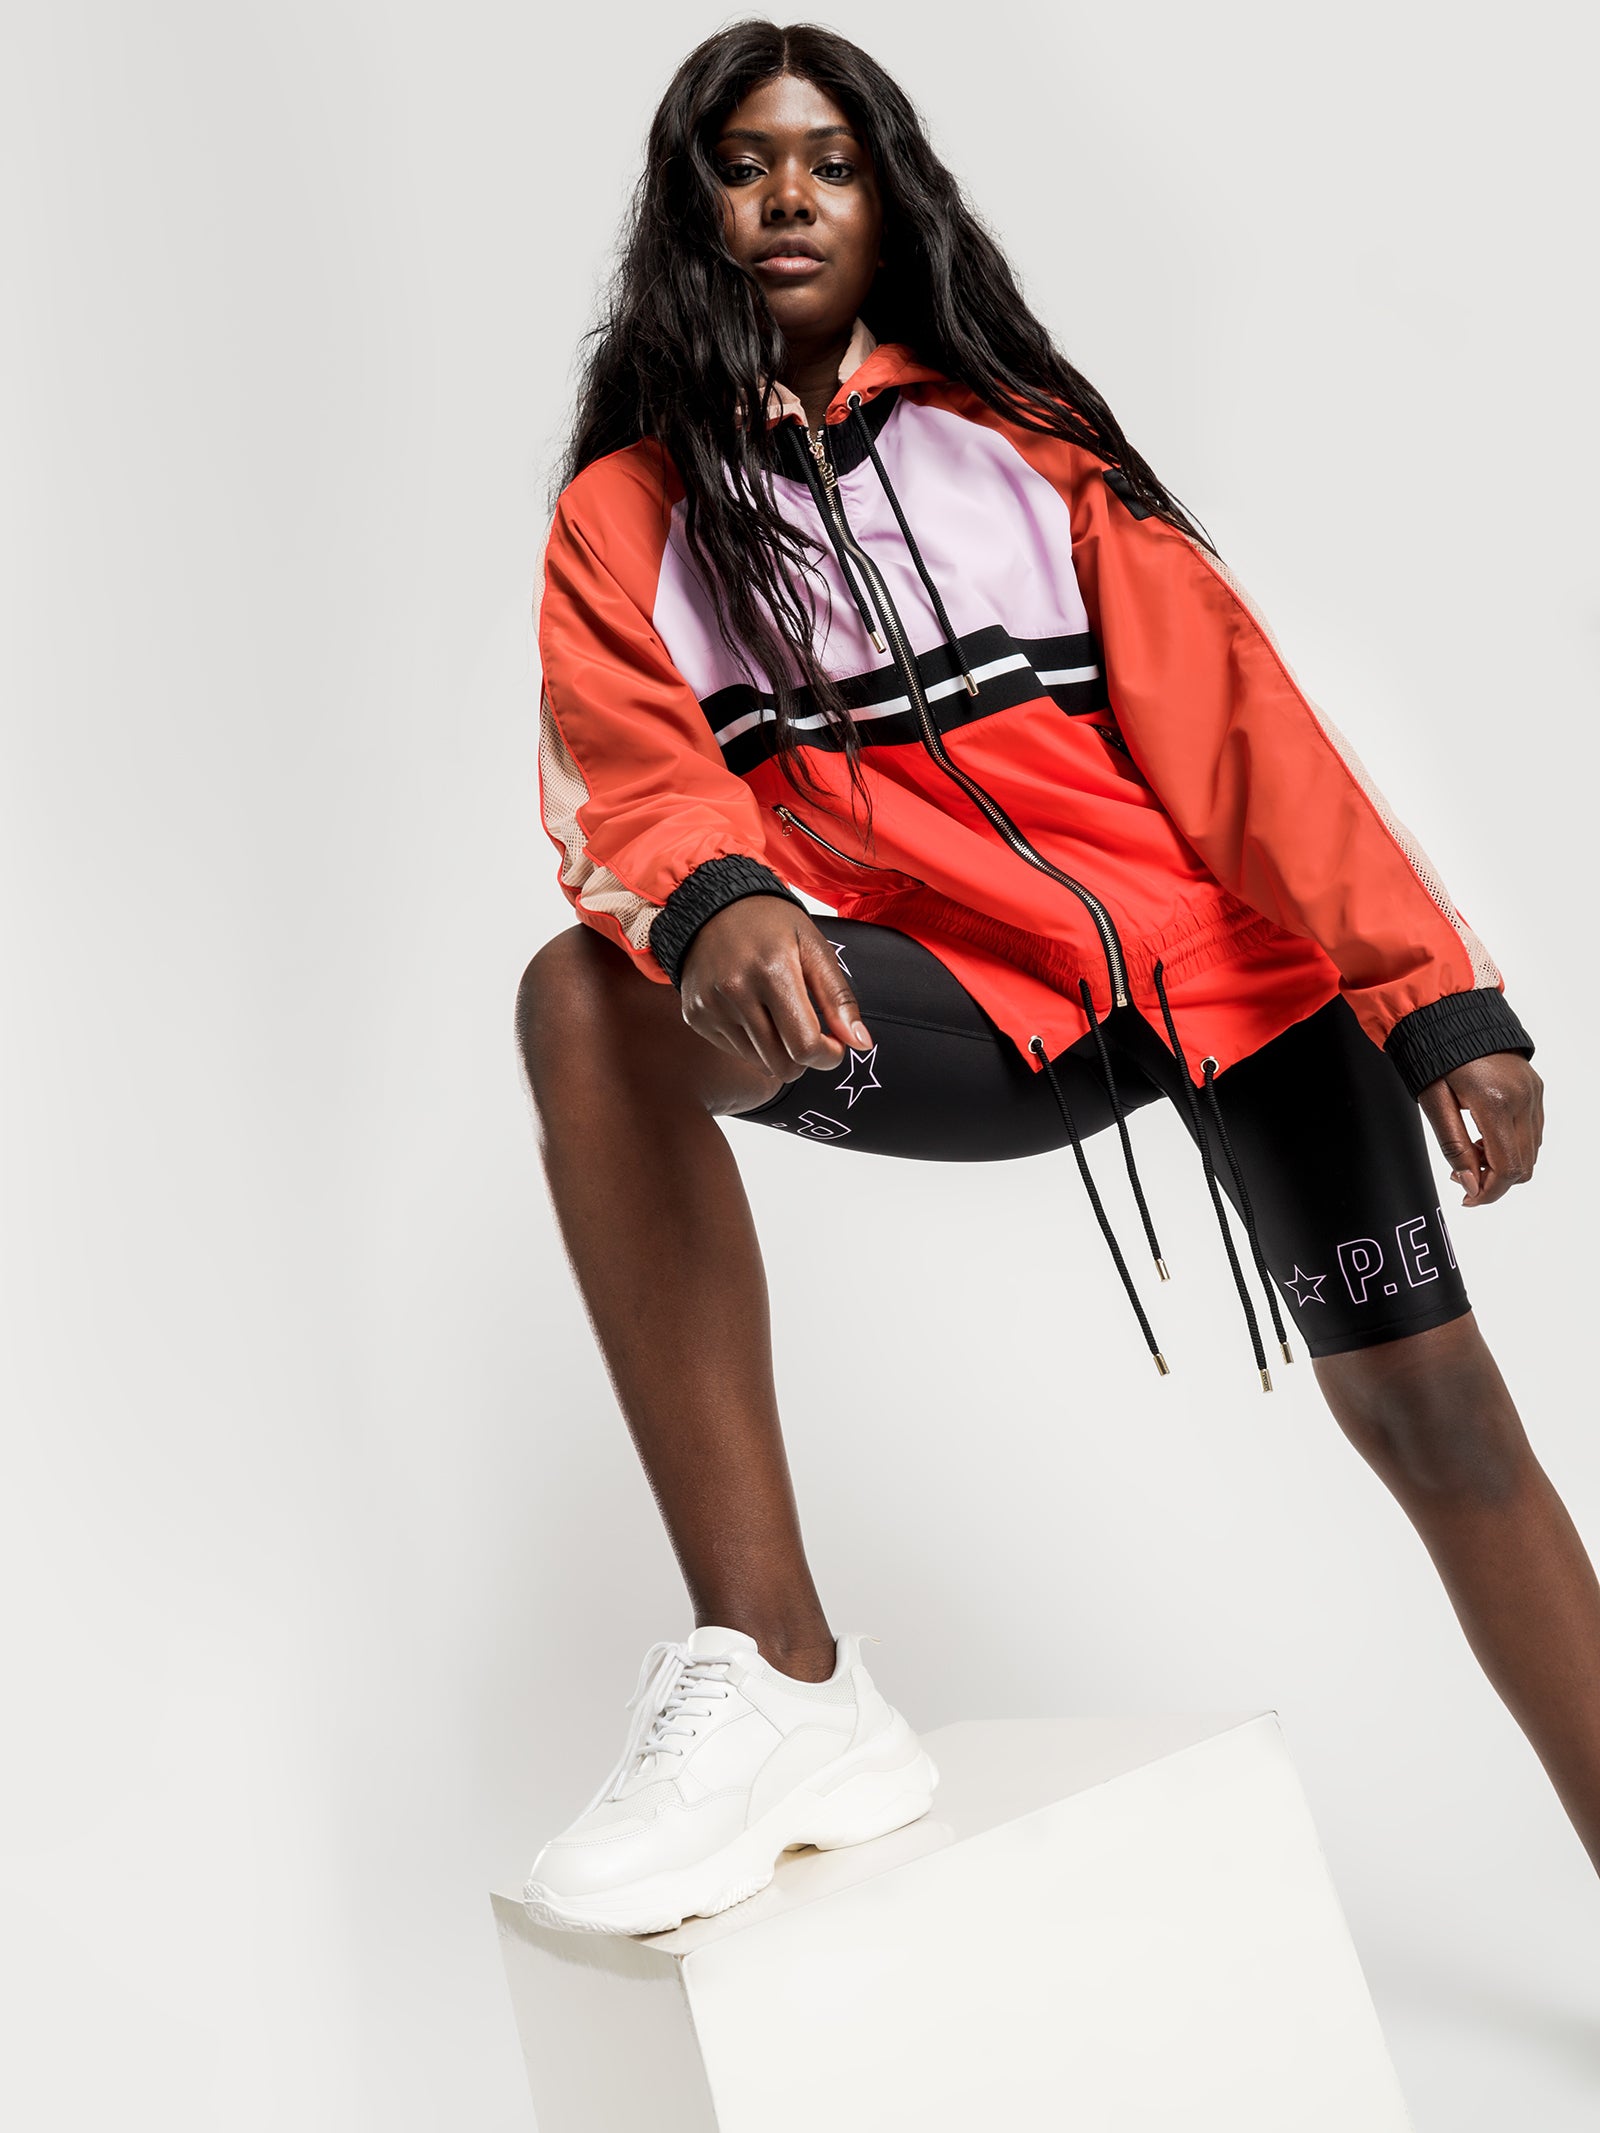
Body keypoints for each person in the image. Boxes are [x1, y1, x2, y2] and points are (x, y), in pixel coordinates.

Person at [516, 20, 1594, 1938]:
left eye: (831, 162)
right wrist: (716, 896)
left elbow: (1251, 741)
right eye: (742, 165)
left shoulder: (1023, 447)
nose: (786, 197)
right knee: (579, 1000)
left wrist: (1436, 1001)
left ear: (890, 199)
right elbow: (626, 775)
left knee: (1442, 1426)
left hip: (1242, 981)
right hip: (975, 1008)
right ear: (687, 212)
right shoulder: (630, 514)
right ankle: (783, 1675)